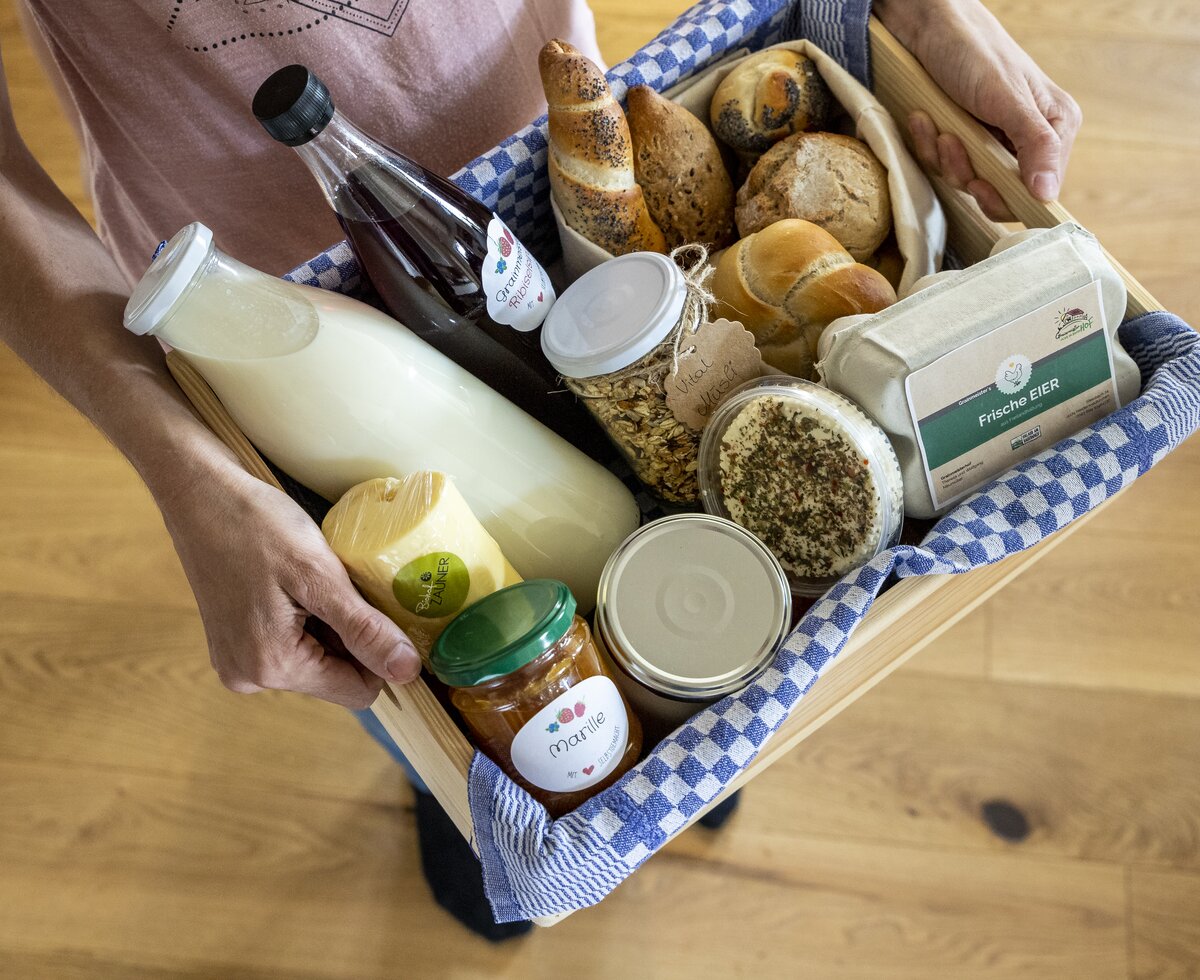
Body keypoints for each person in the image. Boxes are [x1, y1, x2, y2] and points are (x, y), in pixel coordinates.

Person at [0, 0, 1081, 942]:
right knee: (444, 653)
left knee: (691, 682)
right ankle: (493, 805)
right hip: (242, 297)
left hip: (568, 210)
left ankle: (673, 746)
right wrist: (182, 465)